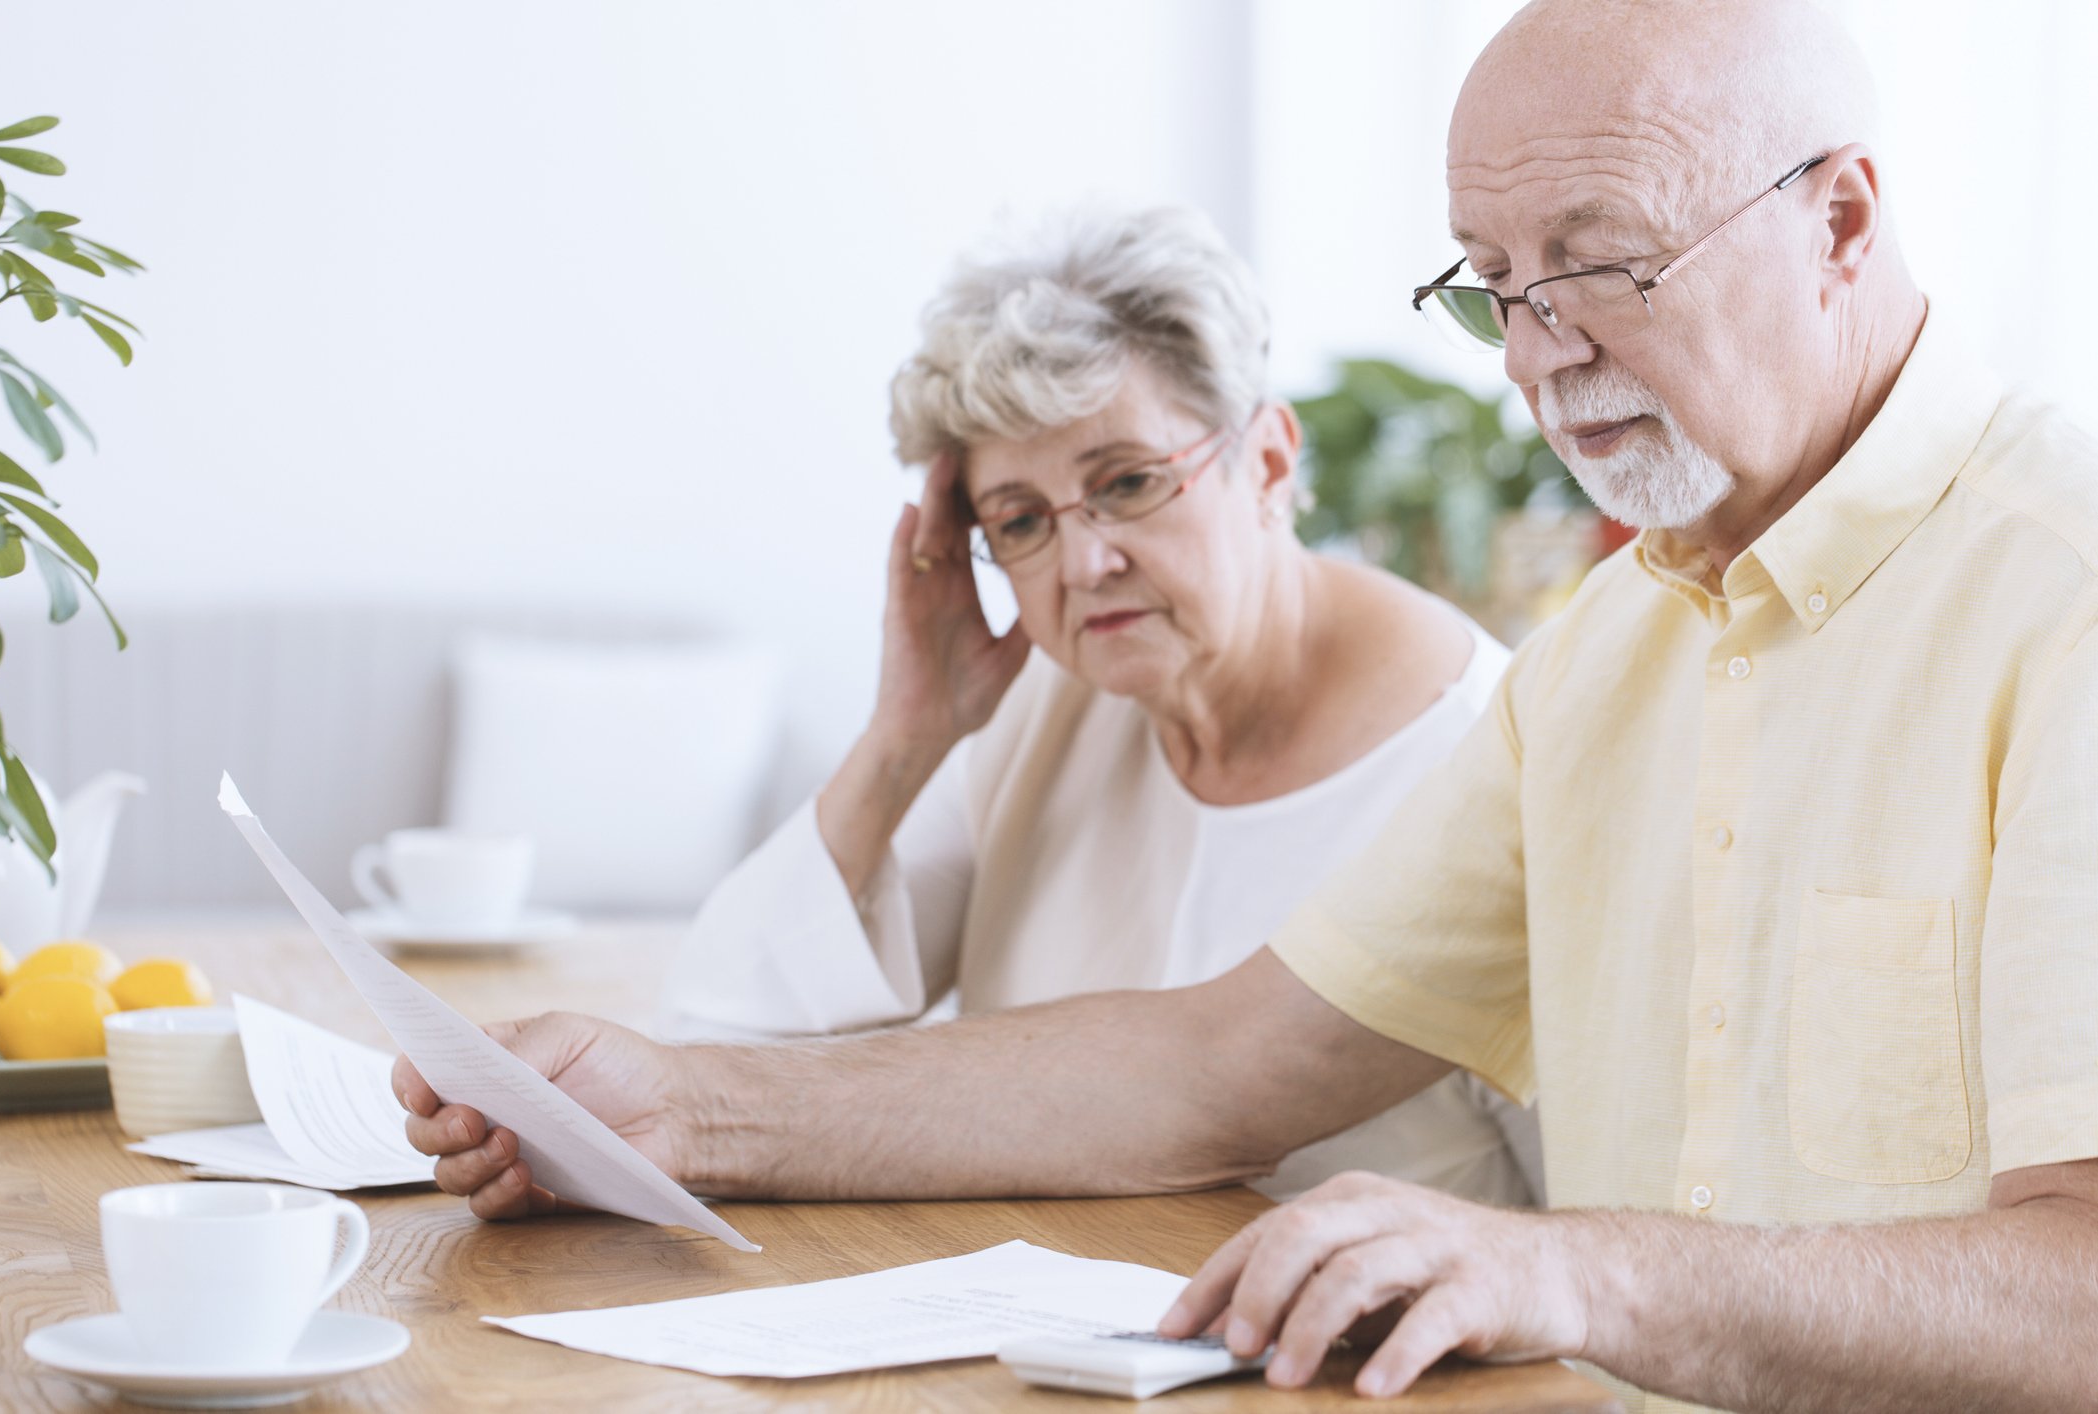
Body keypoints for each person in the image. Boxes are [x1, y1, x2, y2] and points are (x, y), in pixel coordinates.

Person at [397, 1, 2098, 1407]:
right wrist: (670, 1108)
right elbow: (1220, 1061)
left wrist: (1579, 1265)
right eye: (1494, 280)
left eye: (1599, 263)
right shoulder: (1606, 656)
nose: (1533, 353)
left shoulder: (2062, 589)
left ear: (1844, 218)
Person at [656, 205, 1538, 1206]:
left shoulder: (1487, 749)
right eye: (1020, 521)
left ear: (1270, 462)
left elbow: (1596, 1231)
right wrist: (905, 738)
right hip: (1027, 1341)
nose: (1083, 562)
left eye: (1126, 482)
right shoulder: (1049, 707)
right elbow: (713, 1045)